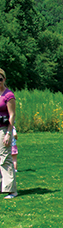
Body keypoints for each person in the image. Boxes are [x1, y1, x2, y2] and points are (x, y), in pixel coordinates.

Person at [0, 68, 17, 199]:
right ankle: (2, 186)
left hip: (4, 129)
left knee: (5, 158)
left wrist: (9, 133)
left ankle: (11, 190)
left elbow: (12, 115)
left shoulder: (8, 95)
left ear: (4, 79)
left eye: (0, 79)